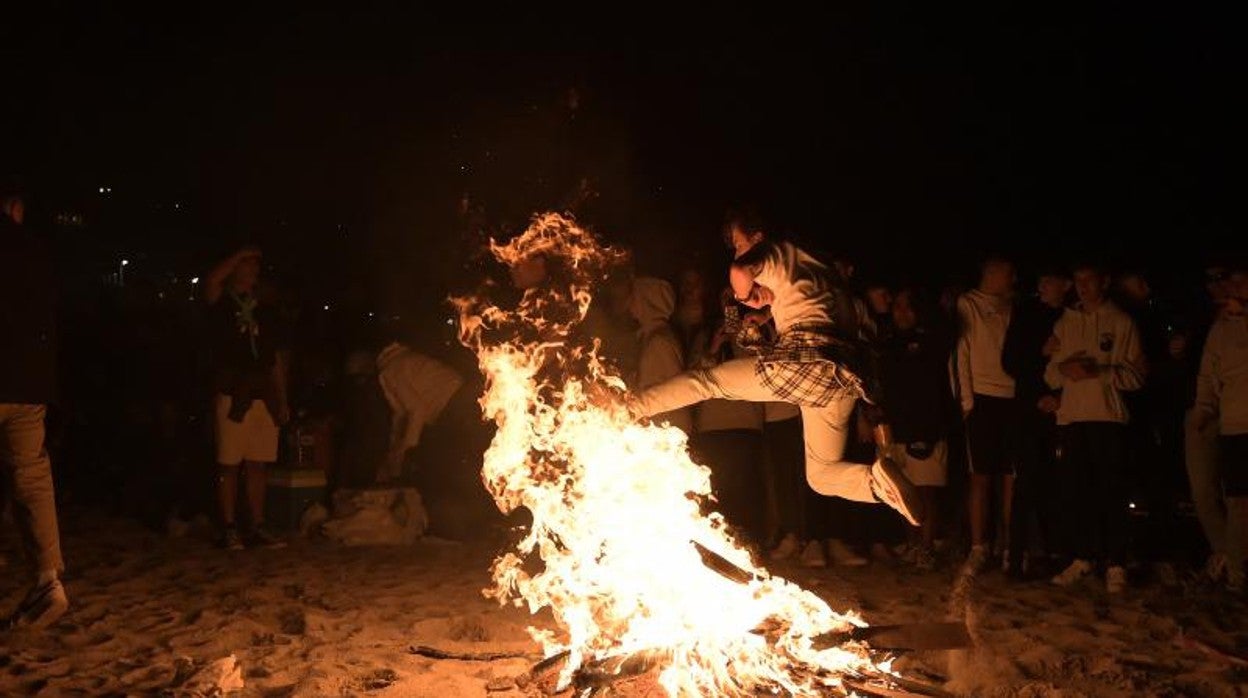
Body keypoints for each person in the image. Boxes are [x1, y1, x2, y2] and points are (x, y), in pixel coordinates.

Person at [631, 212, 922, 526]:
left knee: (707, 381)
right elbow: (817, 309)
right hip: (841, 377)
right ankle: (875, 483)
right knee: (822, 474)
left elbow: (739, 270)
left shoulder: (774, 250)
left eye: (739, 243)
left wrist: (746, 296)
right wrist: (766, 313)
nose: (737, 250)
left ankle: (629, 407)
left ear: (757, 237)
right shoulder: (820, 268)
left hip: (804, 362)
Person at [1046, 263, 1145, 593]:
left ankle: (1116, 562)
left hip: (1108, 419)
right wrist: (1063, 367)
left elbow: (1135, 376)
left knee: (1112, 492)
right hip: (1073, 418)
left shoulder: (1121, 322)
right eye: (1078, 280)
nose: (1083, 286)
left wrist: (1098, 372)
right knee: (1077, 492)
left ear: (1104, 281)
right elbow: (1050, 375)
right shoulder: (1066, 322)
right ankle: (1084, 557)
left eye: (1090, 279)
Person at [1, 188, 69, 629]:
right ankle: (47, 579)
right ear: (16, 207)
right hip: (29, 382)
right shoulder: (35, 248)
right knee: (31, 475)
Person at [203, 246, 291, 550]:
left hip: (262, 394)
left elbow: (276, 357)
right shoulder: (223, 303)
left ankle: (257, 525)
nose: (253, 271)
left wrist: (283, 399)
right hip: (233, 392)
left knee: (259, 463)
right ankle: (228, 527)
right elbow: (211, 281)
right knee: (228, 463)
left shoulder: (265, 306)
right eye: (247, 265)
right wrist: (238, 253)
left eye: (256, 266)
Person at [878, 288, 956, 570]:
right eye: (897, 306)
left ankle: (926, 547)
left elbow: (950, 334)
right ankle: (912, 545)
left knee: (927, 493)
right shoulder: (887, 342)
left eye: (908, 307)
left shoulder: (932, 340)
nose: (902, 312)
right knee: (901, 492)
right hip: (895, 429)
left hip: (929, 428)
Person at [1001, 266, 1071, 577]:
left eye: (1049, 279)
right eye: (1040, 279)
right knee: (1026, 483)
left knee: (1060, 484)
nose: (1042, 285)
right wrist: (1039, 355)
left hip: (1067, 410)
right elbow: (1011, 361)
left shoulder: (1073, 317)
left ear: (1065, 284)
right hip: (1029, 410)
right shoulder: (1027, 315)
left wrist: (1060, 397)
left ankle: (1060, 553)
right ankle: (1017, 557)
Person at [954, 256, 1019, 572]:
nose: (1013, 278)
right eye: (1008, 272)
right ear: (991, 272)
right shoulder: (969, 304)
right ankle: (979, 547)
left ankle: (1008, 546)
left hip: (1013, 398)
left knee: (1010, 476)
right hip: (982, 398)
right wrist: (966, 401)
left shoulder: (1014, 305)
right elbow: (962, 352)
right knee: (980, 476)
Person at [1193, 265, 1248, 592]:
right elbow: (1208, 373)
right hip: (1235, 423)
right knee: (1238, 500)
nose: (1234, 288)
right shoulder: (1221, 330)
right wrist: (1204, 409)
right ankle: (1238, 575)